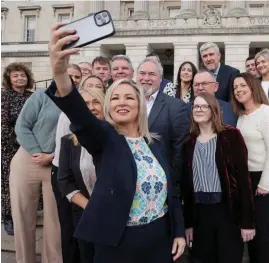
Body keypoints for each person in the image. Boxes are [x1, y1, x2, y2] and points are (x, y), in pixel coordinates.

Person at [47, 23, 186, 262]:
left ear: (140, 104)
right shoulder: (105, 138)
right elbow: (80, 115)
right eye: (116, 98)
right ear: (109, 106)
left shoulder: (154, 144)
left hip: (158, 239)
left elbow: (171, 193)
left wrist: (179, 231)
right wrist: (59, 72)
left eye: (130, 97)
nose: (122, 102)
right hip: (118, 242)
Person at [181, 92, 255, 263]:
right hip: (200, 214)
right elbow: (186, 188)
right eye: (195, 106)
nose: (198, 109)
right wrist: (188, 223)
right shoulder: (188, 144)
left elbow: (244, 181)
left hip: (227, 212)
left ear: (213, 109)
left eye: (203, 106)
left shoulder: (231, 136)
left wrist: (247, 222)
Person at [51, 75, 105, 263]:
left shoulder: (116, 139)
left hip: (113, 214)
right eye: (85, 103)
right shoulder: (68, 142)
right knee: (87, 256)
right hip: (83, 212)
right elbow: (64, 180)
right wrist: (88, 206)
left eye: (96, 102)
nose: (91, 107)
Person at [231, 73, 269, 263]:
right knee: (249, 226)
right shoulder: (242, 117)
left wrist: (265, 183)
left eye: (242, 85)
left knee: (261, 229)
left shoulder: (267, 112)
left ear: (253, 86)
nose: (238, 90)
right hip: (247, 178)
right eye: (235, 87)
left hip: (265, 178)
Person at [10, 84, 62, 262]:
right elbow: (22, 126)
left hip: (55, 163)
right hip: (27, 158)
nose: (73, 80)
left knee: (55, 221)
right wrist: (37, 151)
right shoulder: (41, 95)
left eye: (77, 77)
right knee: (22, 217)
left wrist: (52, 156)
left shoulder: (78, 102)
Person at [136, 58, 190, 183]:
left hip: (160, 181)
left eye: (152, 74)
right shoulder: (125, 103)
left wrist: (171, 182)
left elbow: (180, 152)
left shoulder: (177, 107)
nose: (146, 78)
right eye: (142, 73)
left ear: (161, 79)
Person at [1, 63, 34, 235]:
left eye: (23, 75)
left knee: (26, 184)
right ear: (9, 78)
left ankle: (27, 215)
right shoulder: (4, 96)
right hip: (9, 147)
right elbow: (3, 124)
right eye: (15, 76)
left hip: (30, 145)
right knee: (8, 183)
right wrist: (18, 143)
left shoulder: (31, 96)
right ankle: (8, 217)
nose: (20, 78)